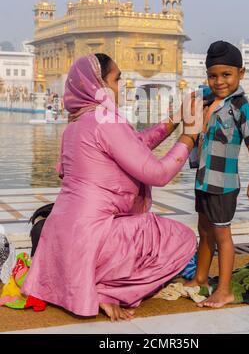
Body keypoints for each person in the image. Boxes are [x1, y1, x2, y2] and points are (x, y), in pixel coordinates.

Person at [22, 53, 200, 322]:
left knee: (135, 227)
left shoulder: (76, 125)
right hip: (93, 238)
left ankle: (89, 281)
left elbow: (135, 145)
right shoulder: (106, 121)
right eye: (116, 80)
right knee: (182, 238)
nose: (120, 86)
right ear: (98, 85)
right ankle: (106, 289)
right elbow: (158, 174)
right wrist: (189, 135)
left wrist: (175, 118)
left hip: (62, 239)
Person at [185, 40, 249, 308]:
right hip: (204, 180)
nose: (219, 81)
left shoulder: (243, 107)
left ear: (240, 74)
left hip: (224, 184)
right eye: (213, 75)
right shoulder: (206, 100)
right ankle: (200, 277)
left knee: (222, 235)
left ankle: (224, 290)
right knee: (204, 230)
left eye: (226, 75)